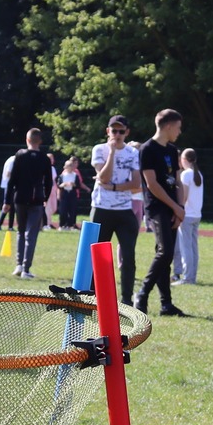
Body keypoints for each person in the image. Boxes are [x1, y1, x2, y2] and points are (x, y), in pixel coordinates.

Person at [134, 110, 187, 315]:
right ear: (167, 126)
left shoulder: (173, 150)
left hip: (173, 207)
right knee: (165, 251)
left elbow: (178, 181)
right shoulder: (147, 149)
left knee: (166, 254)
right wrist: (174, 207)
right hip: (156, 207)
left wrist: (180, 208)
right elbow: (152, 184)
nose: (179, 131)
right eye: (178, 127)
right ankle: (143, 293)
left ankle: (166, 304)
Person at [90, 115, 144, 299]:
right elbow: (103, 176)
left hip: (124, 210)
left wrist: (114, 187)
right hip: (101, 208)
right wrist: (112, 153)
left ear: (127, 132)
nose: (117, 134)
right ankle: (92, 296)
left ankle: (127, 299)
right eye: (114, 130)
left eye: (121, 131)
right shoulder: (99, 149)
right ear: (108, 131)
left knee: (128, 257)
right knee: (98, 257)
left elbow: (137, 183)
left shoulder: (133, 153)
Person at [5, 128, 55, 278]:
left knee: (20, 231)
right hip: (36, 199)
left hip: (20, 198)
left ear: (27, 140)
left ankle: (19, 264)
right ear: (40, 141)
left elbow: (12, 180)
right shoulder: (45, 159)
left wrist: (7, 200)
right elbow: (49, 182)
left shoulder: (20, 156)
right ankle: (26, 268)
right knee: (31, 234)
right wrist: (45, 197)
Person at [174, 148, 204, 283]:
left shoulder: (186, 174)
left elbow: (183, 196)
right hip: (196, 215)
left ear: (184, 160)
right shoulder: (198, 174)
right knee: (193, 247)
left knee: (186, 248)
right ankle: (192, 276)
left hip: (187, 215)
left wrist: (179, 210)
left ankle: (187, 277)